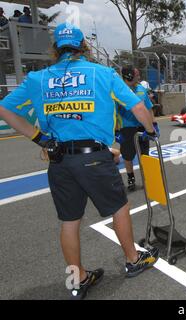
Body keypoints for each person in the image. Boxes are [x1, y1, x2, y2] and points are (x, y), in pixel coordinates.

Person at [0, 23, 159, 300]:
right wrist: (150, 130)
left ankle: (78, 279)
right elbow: (138, 107)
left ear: (55, 49)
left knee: (69, 221)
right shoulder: (102, 73)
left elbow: (4, 109)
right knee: (120, 207)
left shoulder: (37, 79)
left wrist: (39, 138)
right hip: (94, 158)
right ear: (84, 47)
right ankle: (133, 260)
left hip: (59, 159)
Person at [116, 66, 157, 191]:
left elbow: (148, 107)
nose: (139, 78)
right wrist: (116, 131)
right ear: (129, 76)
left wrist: (154, 124)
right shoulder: (118, 90)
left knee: (145, 155)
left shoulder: (141, 88)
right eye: (137, 75)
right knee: (128, 156)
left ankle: (147, 179)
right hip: (127, 128)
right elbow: (112, 112)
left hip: (143, 127)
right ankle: (131, 178)